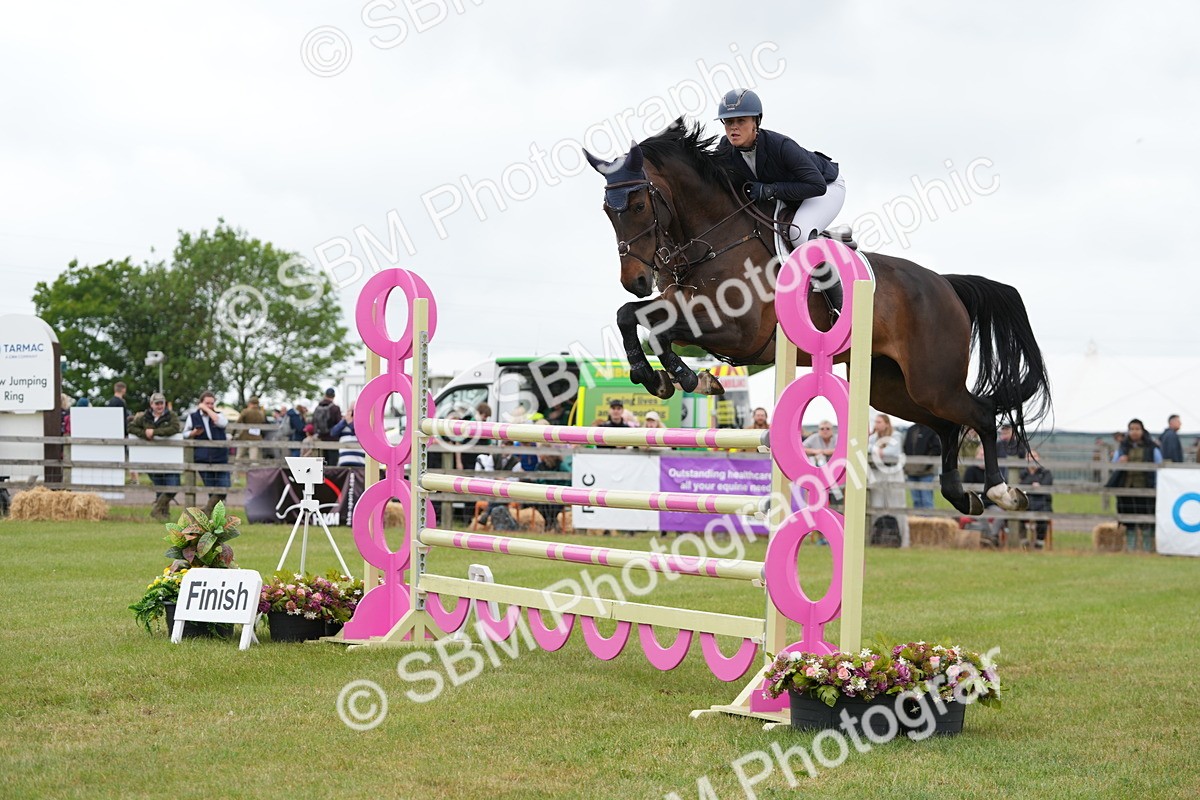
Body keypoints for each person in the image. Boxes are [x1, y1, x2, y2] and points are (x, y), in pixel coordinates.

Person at [714, 89, 844, 249]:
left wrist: (771, 190)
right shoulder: (725, 149)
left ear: (756, 122)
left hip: (826, 187)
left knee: (799, 235)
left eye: (741, 121)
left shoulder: (781, 146)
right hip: (792, 194)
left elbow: (817, 186)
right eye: (728, 122)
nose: (734, 128)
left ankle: (828, 272)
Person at [1109, 418, 1161, 552]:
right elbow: (1113, 466)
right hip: (1127, 488)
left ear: (1142, 431)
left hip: (1146, 489)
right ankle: (1131, 549)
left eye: (1137, 429)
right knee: (1129, 522)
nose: (1134, 432)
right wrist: (1120, 462)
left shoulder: (1152, 448)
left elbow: (1159, 466)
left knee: (1146, 520)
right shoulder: (1122, 448)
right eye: (1131, 429)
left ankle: (1147, 549)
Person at [128, 392, 183, 520]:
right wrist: (144, 433)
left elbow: (175, 428)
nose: (159, 406)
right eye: (157, 403)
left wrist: (155, 432)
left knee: (173, 486)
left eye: (161, 403)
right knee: (160, 487)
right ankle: (163, 514)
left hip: (170, 458)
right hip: (152, 457)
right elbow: (131, 427)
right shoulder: (144, 417)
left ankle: (157, 510)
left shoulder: (171, 416)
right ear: (151, 404)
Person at [183, 391, 230, 515]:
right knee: (211, 488)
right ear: (200, 403)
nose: (209, 405)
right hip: (202, 458)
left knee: (224, 487)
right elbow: (184, 434)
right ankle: (214, 516)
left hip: (220, 457)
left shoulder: (218, 415)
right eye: (206, 403)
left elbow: (223, 423)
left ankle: (206, 511)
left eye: (211, 403)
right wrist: (193, 433)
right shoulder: (192, 417)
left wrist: (207, 410)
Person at [867, 413, 910, 547]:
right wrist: (877, 450)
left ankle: (902, 541)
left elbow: (892, 452)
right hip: (877, 472)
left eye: (879, 422)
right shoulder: (873, 438)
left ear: (886, 423)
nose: (876, 425)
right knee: (877, 504)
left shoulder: (895, 435)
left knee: (897, 505)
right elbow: (866, 447)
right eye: (875, 422)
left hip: (893, 472)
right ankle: (877, 538)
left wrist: (877, 451)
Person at [1018, 451, 1053, 549]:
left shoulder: (1046, 473)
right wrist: (1034, 484)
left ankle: (1039, 542)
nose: (1032, 458)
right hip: (1025, 503)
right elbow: (1019, 488)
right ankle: (1024, 541)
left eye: (1035, 456)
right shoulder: (1021, 473)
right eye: (1028, 456)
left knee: (1043, 515)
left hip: (1042, 503)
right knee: (1014, 513)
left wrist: (1028, 484)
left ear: (1039, 458)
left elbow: (1045, 487)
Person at [902, 423, 941, 509]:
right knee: (916, 500)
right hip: (911, 471)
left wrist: (927, 465)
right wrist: (907, 465)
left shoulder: (931, 430)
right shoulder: (911, 429)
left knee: (926, 500)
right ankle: (919, 521)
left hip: (926, 472)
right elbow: (905, 447)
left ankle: (929, 521)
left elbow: (937, 449)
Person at [235, 395, 267, 464]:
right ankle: (254, 474)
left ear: (249, 403)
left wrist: (233, 434)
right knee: (254, 459)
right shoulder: (261, 413)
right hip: (256, 438)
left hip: (244, 437)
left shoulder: (245, 411)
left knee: (239, 457)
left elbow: (237, 422)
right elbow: (263, 423)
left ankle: (235, 474)